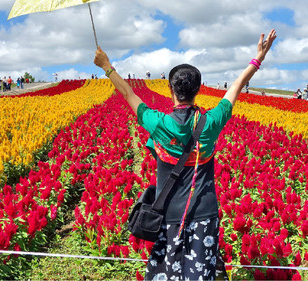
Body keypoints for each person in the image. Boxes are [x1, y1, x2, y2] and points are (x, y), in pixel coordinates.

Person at [94, 29, 277, 281]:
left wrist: (107, 66)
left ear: (170, 89)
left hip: (168, 214)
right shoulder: (211, 121)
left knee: (167, 273)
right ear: (199, 89)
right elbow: (236, 87)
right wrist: (258, 58)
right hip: (204, 212)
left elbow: (129, 94)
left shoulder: (158, 123)